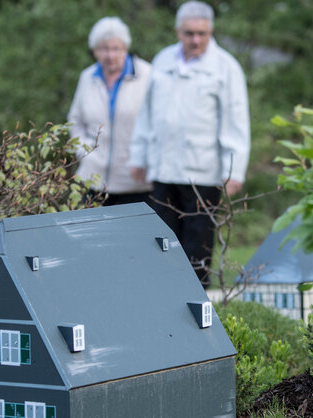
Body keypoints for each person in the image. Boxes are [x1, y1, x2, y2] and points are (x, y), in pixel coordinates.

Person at [129, 1, 250, 287]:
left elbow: (236, 122)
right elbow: (147, 114)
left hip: (202, 174)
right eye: (189, 33)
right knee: (160, 244)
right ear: (177, 32)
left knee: (197, 247)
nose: (196, 40)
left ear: (211, 32)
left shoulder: (226, 67)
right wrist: (139, 155)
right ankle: (162, 299)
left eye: (202, 33)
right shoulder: (162, 60)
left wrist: (235, 169)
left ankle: (197, 306)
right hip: (163, 169)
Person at [68, 17, 152, 206]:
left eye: (116, 49)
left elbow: (159, 123)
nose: (110, 55)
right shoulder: (87, 77)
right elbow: (75, 121)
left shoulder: (147, 76)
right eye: (103, 49)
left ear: (126, 48)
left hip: (136, 181)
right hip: (93, 180)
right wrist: (84, 151)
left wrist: (146, 159)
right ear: (95, 51)